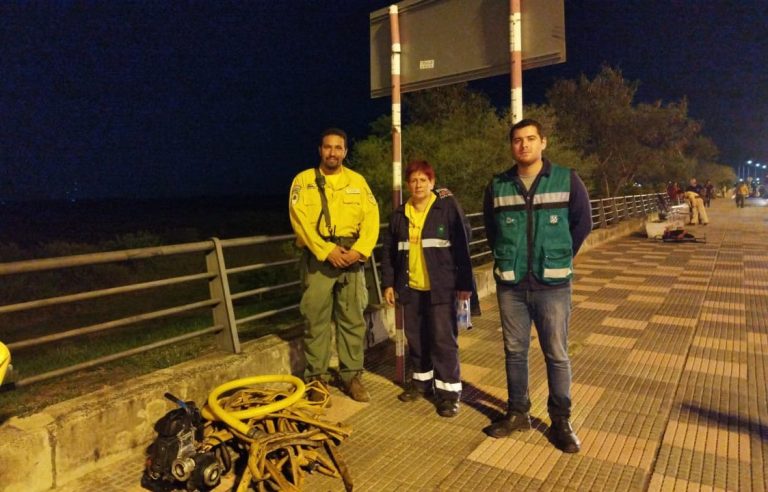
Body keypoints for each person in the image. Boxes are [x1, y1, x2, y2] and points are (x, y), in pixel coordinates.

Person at [482, 118, 592, 453]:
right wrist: (510, 258)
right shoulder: (498, 185)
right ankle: (517, 413)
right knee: (514, 352)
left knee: (556, 354)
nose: (524, 145)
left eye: (531, 139)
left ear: (543, 142)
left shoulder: (567, 179)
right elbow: (491, 228)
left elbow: (583, 223)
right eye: (517, 140)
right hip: (511, 285)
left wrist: (559, 257)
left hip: (553, 285)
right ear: (511, 146)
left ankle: (560, 420)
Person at [288, 128, 380, 403]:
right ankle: (317, 378)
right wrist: (327, 250)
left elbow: (372, 217)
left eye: (338, 148)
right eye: (328, 147)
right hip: (319, 258)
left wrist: (360, 251)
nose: (333, 153)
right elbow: (299, 220)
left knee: (352, 319)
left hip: (351, 256)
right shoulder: (303, 181)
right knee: (315, 319)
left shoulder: (358, 181)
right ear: (320, 150)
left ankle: (351, 376)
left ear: (345, 152)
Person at [380, 160, 474, 418]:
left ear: (432, 182)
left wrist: (465, 284)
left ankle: (449, 394)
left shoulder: (446, 207)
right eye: (414, 180)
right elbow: (388, 253)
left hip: (441, 289)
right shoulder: (399, 214)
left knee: (443, 341)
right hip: (410, 289)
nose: (418, 184)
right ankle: (421, 384)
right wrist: (388, 283)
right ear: (408, 184)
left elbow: (464, 245)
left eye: (423, 179)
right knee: (417, 339)